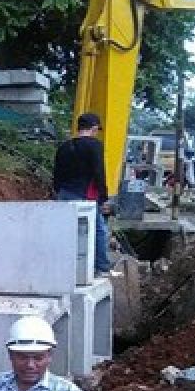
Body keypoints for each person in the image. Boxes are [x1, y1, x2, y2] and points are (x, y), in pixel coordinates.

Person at [53, 112, 112, 275]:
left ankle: (64, 266)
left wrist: (58, 191)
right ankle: (101, 267)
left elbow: (56, 173)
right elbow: (99, 172)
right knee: (99, 229)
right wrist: (104, 197)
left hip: (64, 193)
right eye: (96, 130)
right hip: (85, 196)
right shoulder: (94, 145)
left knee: (66, 230)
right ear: (93, 128)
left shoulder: (64, 146)